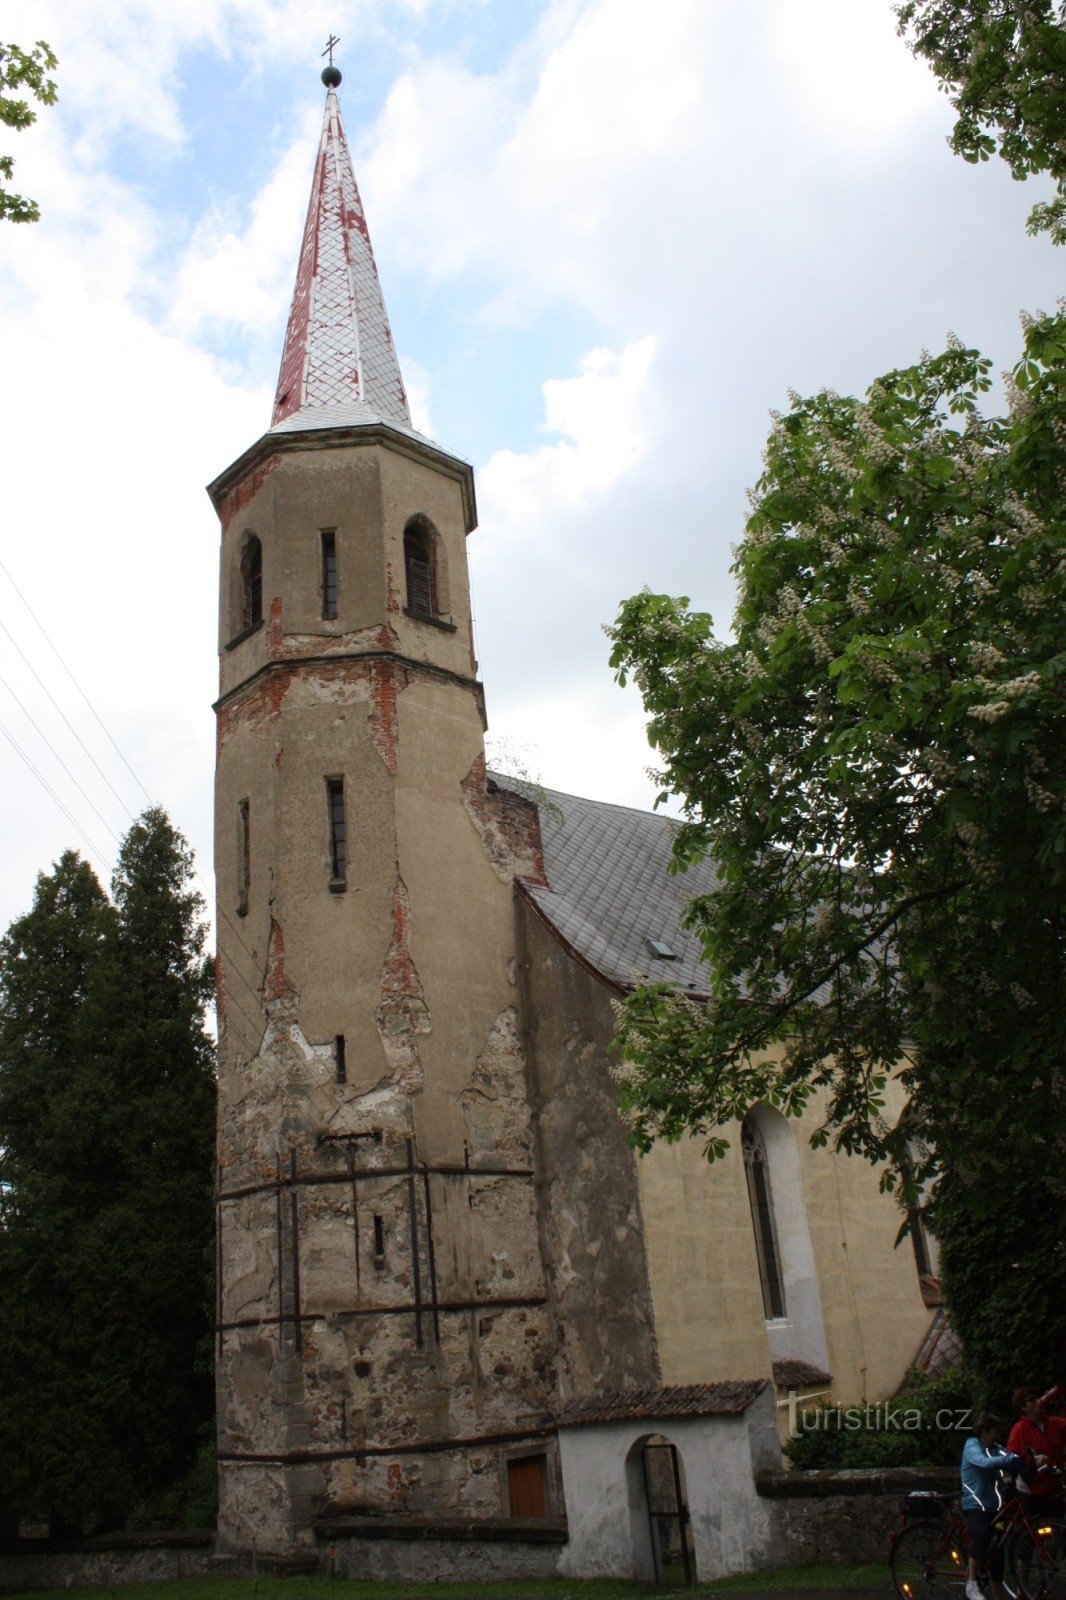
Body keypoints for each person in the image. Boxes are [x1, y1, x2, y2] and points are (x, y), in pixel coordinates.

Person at [960, 1414, 1022, 1600]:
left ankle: (998, 1595)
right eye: (994, 1432)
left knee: (997, 1549)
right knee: (980, 1534)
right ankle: (971, 1584)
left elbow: (1010, 1455)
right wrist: (1007, 1461)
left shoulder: (994, 1448)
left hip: (992, 1505)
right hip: (974, 1504)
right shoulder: (972, 1446)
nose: (997, 1436)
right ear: (985, 1432)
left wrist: (1030, 1460)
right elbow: (984, 1462)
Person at [1007, 1386, 1065, 1522]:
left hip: (1053, 1487)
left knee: (1060, 1532)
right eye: (1031, 1400)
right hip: (1033, 1491)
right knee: (1035, 1535)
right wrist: (1032, 1460)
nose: (1037, 1401)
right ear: (1023, 1408)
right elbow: (1010, 1460)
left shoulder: (1051, 1423)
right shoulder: (1019, 1430)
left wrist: (1062, 1403)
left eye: (1036, 1397)